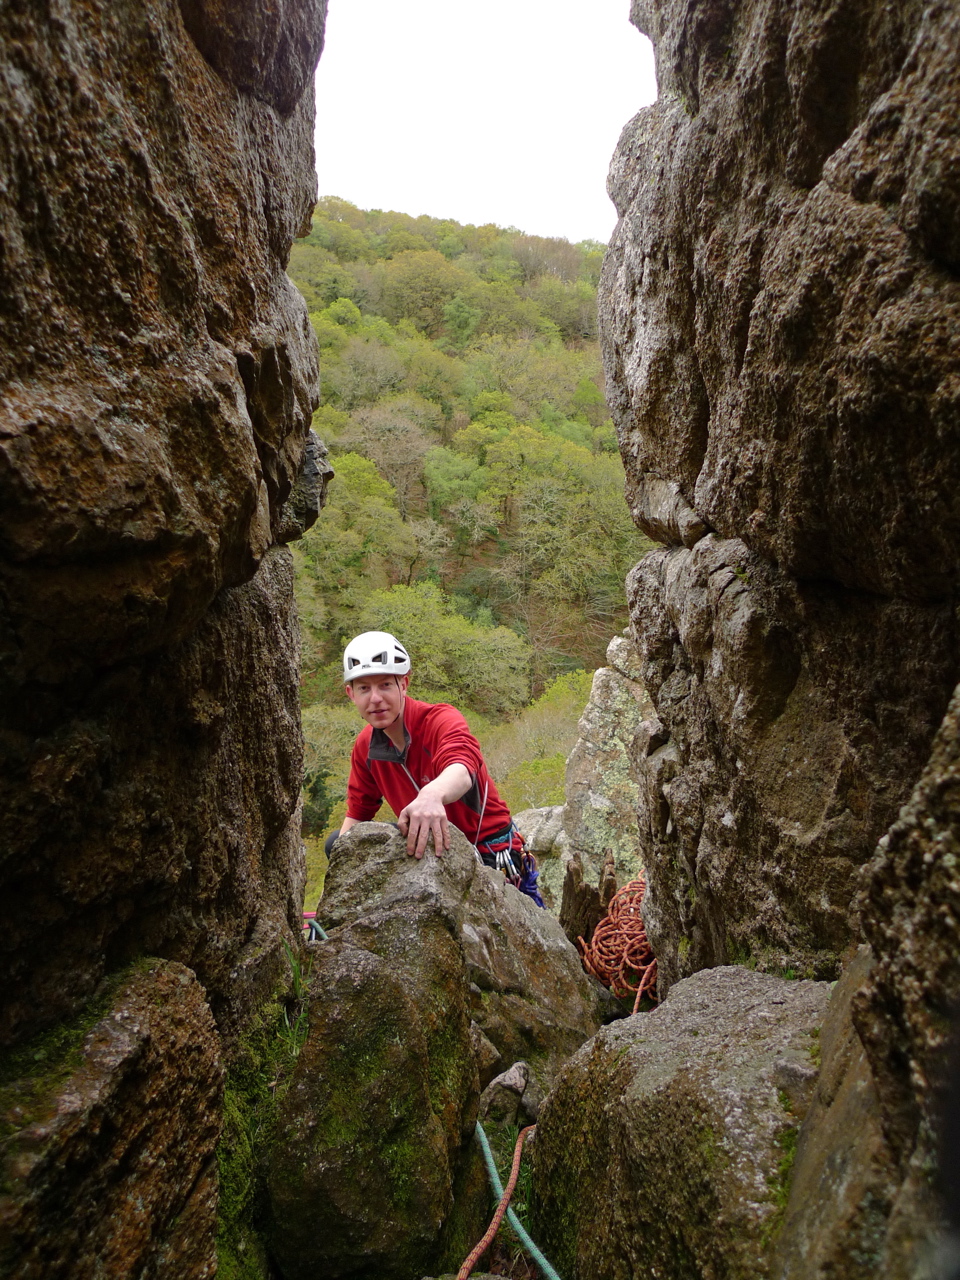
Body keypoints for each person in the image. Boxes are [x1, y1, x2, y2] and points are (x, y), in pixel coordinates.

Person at [328, 630, 544, 906]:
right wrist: (337, 877)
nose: (375, 698)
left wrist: (432, 794)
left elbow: (462, 766)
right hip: (428, 846)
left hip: (486, 847)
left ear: (403, 684)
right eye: (364, 688)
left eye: (385, 685)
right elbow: (358, 813)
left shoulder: (439, 720)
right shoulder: (366, 746)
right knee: (337, 844)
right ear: (351, 694)